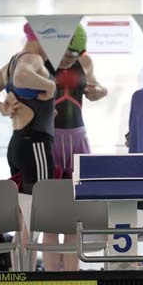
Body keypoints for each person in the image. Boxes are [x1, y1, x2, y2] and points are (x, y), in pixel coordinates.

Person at [41, 23, 108, 271]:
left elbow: (98, 87)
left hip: (79, 138)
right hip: (50, 138)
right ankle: (50, 278)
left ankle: (72, 277)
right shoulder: (40, 62)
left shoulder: (86, 62)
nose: (69, 60)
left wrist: (100, 91)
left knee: (74, 216)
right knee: (49, 216)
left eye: (74, 55)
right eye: (66, 55)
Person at [0, 23, 56, 195]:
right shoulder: (33, 58)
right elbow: (21, 76)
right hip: (36, 145)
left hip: (17, 145)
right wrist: (50, 86)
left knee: (24, 204)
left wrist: (2, 108)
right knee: (42, 202)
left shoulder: (10, 65)